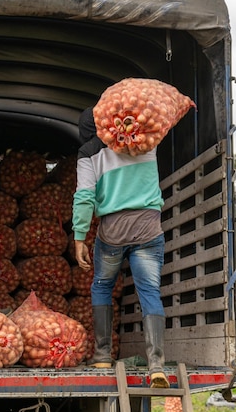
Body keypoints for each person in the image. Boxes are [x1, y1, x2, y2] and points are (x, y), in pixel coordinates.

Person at [72, 106, 169, 389]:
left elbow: (85, 196)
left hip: (113, 232)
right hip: (149, 229)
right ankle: (156, 364)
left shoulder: (88, 152)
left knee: (102, 286)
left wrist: (79, 237)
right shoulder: (142, 139)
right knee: (149, 291)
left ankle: (102, 355)